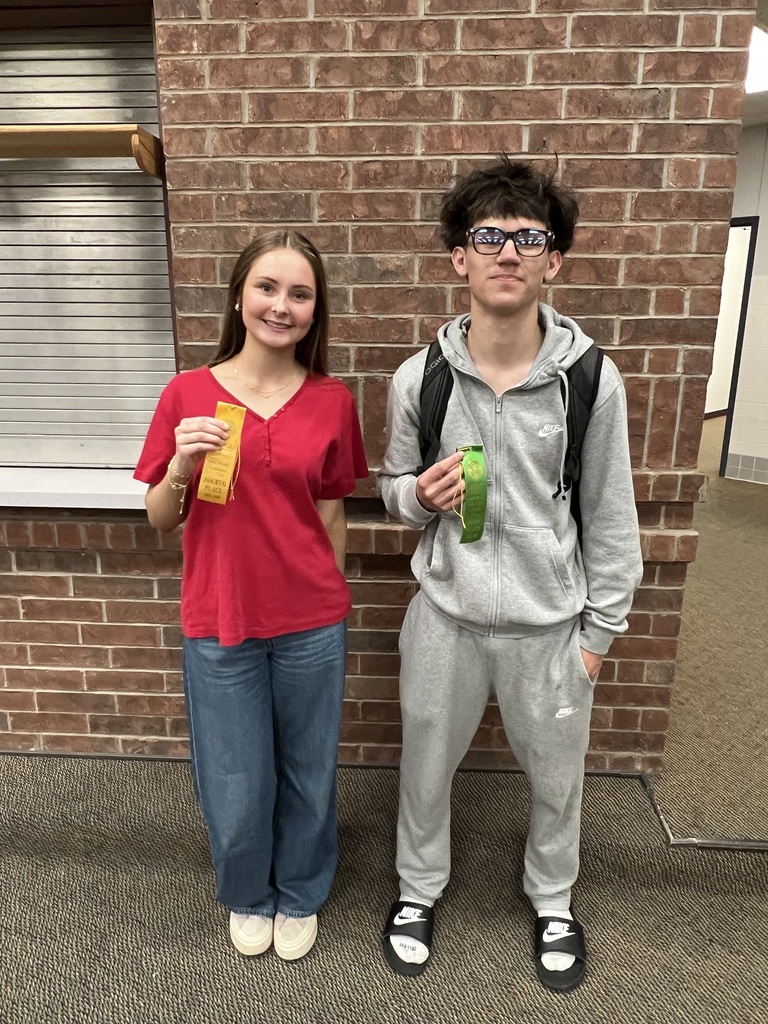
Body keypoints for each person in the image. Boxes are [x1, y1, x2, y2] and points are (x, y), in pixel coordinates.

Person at [378, 157, 642, 992]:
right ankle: (418, 891)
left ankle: (554, 899)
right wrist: (417, 496)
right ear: (460, 256)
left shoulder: (590, 381)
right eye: (488, 235)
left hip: (549, 632)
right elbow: (390, 491)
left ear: (553, 261)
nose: (507, 252)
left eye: (530, 239)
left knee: (560, 780)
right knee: (424, 764)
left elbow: (609, 517)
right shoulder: (417, 379)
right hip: (445, 622)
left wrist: (597, 638)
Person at [135, 230, 368, 962]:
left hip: (311, 622)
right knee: (235, 775)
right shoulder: (187, 393)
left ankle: (299, 889)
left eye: (300, 294)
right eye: (268, 288)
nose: (282, 305)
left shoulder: (332, 401)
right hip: (221, 619)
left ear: (315, 310)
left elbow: (332, 510)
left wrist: (334, 595)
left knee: (308, 768)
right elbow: (160, 517)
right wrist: (180, 463)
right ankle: (247, 890)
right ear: (240, 296)